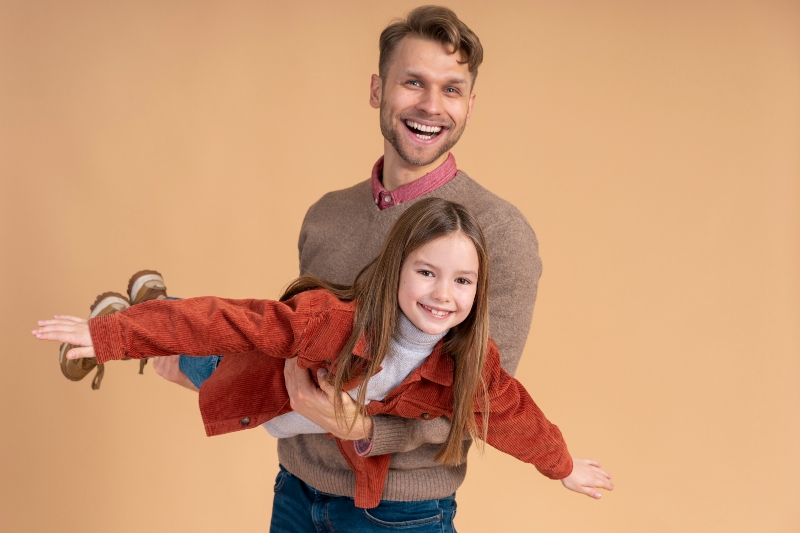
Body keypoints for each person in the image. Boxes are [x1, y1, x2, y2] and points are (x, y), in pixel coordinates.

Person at [51, 6, 579, 530]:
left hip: (397, 514)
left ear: (469, 105)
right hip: (296, 492)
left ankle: (146, 315)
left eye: (452, 89)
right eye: (413, 82)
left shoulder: (498, 233)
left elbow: (481, 401)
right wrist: (221, 378)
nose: (431, 105)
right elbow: (286, 344)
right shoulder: (327, 215)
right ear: (377, 89)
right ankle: (145, 320)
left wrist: (365, 429)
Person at [33, 199, 613, 515]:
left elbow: (517, 418)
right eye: (427, 273)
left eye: (462, 281)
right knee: (202, 358)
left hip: (312, 437)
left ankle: (151, 311)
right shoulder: (332, 323)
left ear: (478, 290)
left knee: (193, 361)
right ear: (397, 270)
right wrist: (112, 337)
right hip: (263, 388)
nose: (443, 295)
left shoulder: (470, 364)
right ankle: (149, 312)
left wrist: (563, 467)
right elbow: (231, 320)